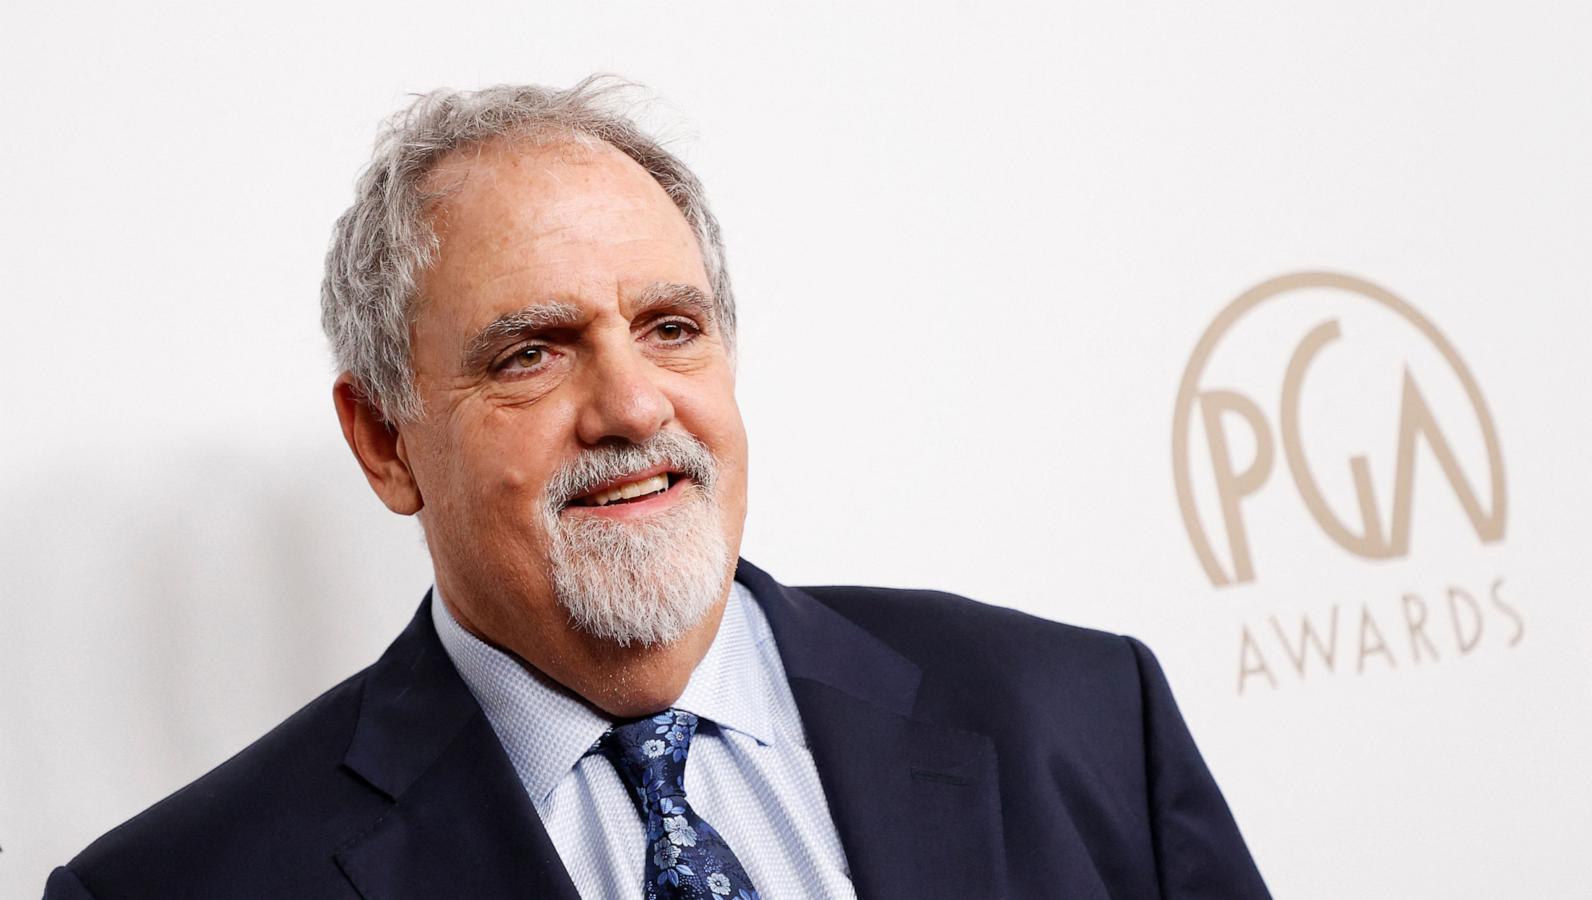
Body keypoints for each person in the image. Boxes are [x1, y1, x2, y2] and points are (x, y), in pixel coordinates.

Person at [45, 78, 1271, 900]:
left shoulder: (1081, 718)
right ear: (384, 442)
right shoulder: (184, 886)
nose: (633, 406)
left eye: (671, 327)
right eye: (530, 351)